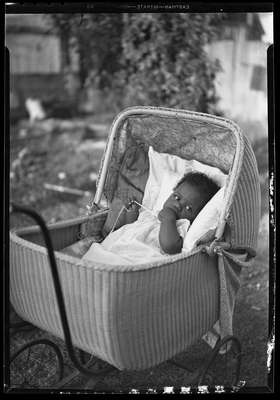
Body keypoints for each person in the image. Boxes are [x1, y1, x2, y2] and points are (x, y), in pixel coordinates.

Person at [124, 171, 220, 255]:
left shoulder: (182, 225)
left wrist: (168, 218)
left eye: (188, 208)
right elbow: (131, 228)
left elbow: (170, 246)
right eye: (177, 198)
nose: (178, 205)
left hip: (138, 259)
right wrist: (132, 212)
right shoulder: (152, 213)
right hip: (121, 247)